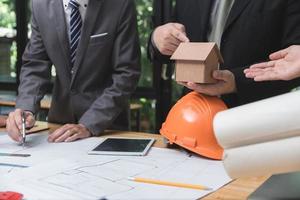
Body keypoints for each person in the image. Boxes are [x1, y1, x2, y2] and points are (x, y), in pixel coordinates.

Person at [6, 0, 140, 143]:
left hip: (107, 126)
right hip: (59, 127)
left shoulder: (120, 4)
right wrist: (26, 109)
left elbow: (127, 73)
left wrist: (88, 124)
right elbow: (35, 65)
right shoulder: (40, 5)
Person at [149, 0, 300, 108]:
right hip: (192, 115)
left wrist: (236, 81)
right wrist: (157, 39)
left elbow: (292, 64)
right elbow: (173, 39)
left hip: (256, 121)